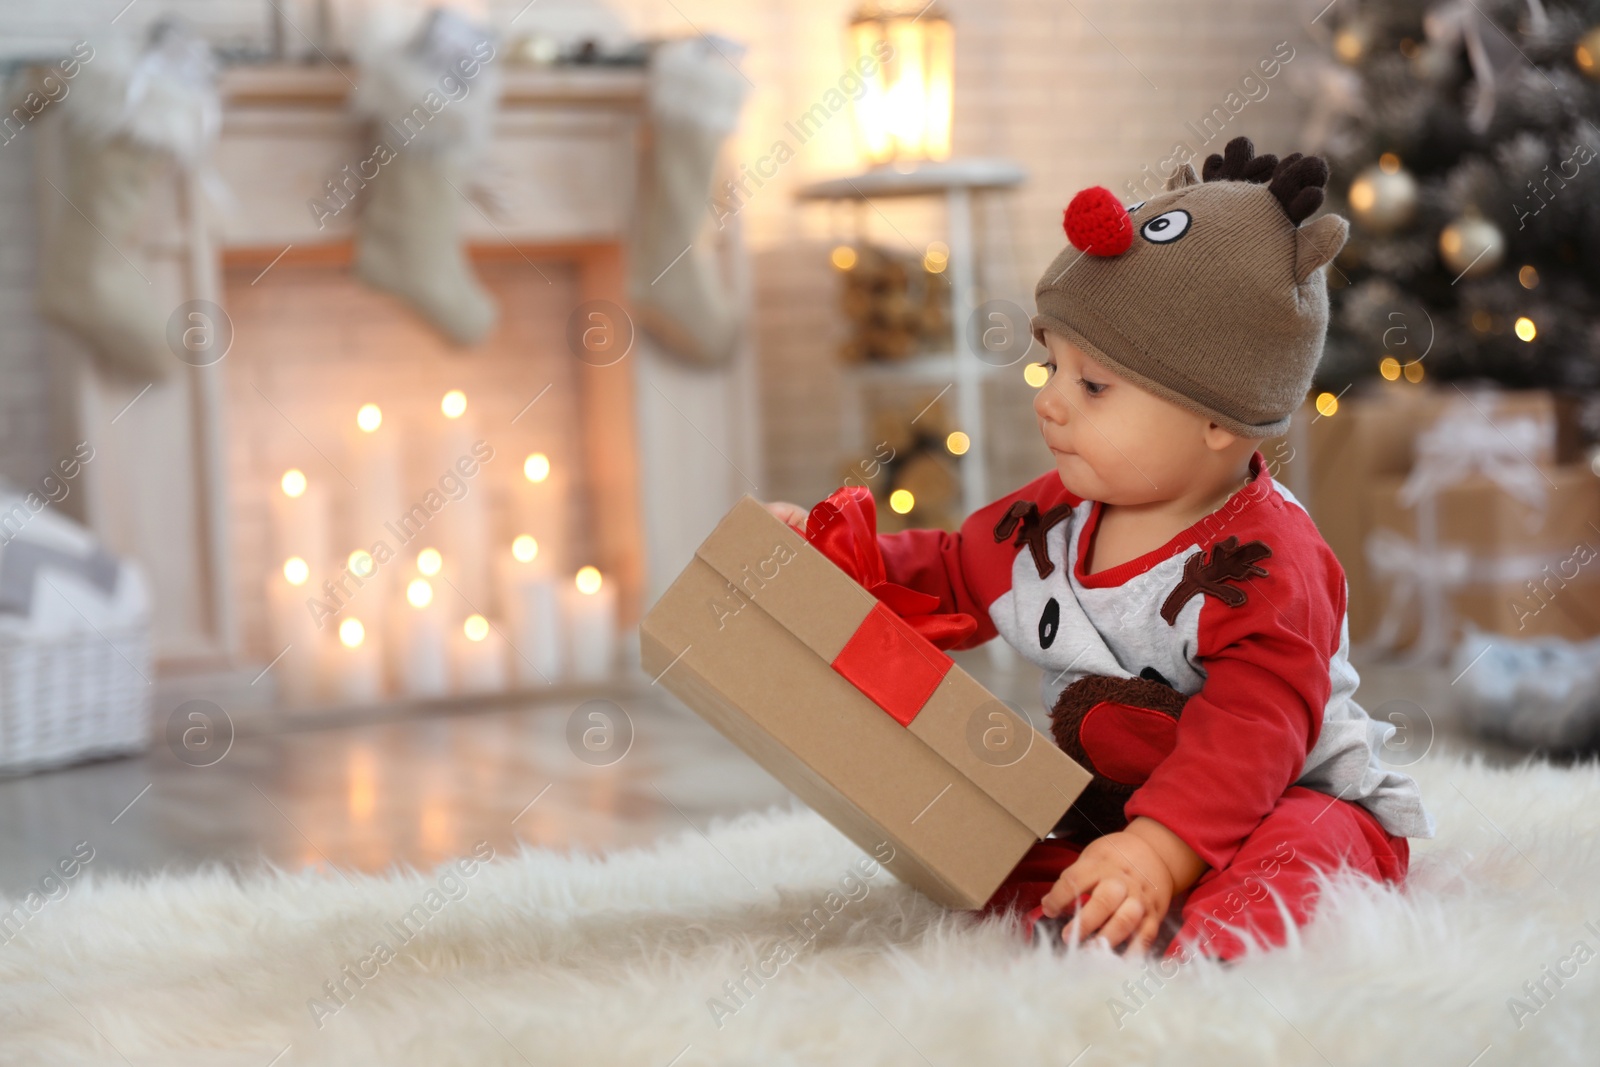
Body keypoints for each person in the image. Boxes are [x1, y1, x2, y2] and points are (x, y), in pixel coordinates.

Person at [763, 137, 1435, 962]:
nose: (1049, 402)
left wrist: (1161, 849)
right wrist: (835, 562)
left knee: (1303, 854)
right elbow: (949, 571)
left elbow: (1253, 730)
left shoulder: (1269, 560)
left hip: (1287, 793)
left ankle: (1198, 941)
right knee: (998, 862)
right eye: (1053, 365)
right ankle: (1108, 904)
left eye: (1093, 385)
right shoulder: (1057, 518)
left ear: (1218, 418)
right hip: (1120, 810)